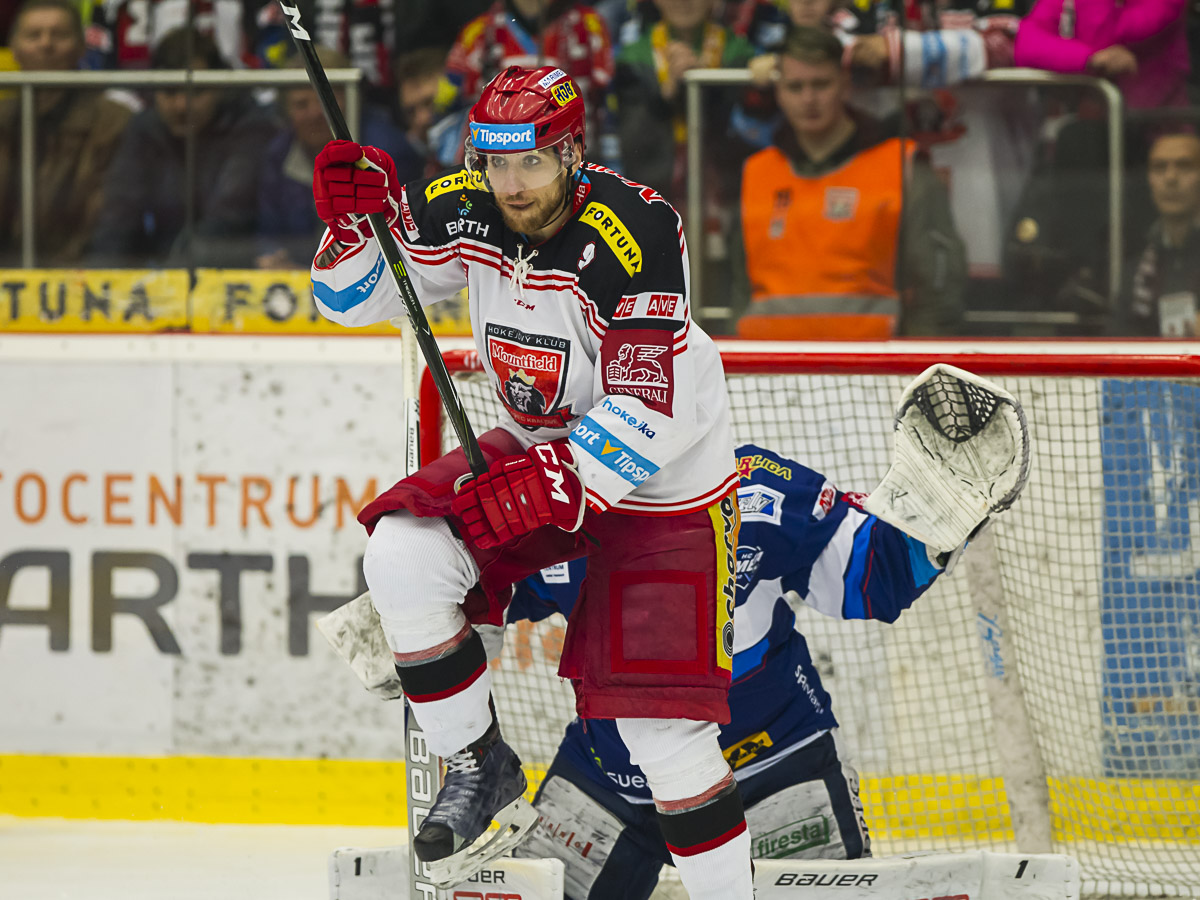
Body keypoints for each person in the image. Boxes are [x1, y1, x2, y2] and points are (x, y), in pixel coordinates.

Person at [309, 65, 752, 898]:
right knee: (402, 554)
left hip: (665, 483)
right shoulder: (465, 204)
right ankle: (480, 766)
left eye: (533, 163)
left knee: (663, 737)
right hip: (541, 445)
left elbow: (649, 407)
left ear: (573, 153)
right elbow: (351, 302)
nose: (511, 185)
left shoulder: (637, 228)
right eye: (495, 162)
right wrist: (352, 229)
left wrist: (555, 480)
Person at [506, 441, 964, 898]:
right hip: (610, 777)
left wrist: (947, 500)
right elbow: (487, 595)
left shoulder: (755, 491)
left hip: (774, 762)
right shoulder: (557, 509)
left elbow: (877, 570)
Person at [736, 26, 966, 339]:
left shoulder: (901, 166)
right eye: (795, 86)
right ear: (779, 93)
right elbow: (738, 289)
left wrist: (918, 359)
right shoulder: (757, 172)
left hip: (875, 361)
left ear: (845, 85)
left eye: (821, 84)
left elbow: (939, 291)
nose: (809, 99)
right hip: (764, 361)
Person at [89, 26, 277, 267]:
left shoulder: (249, 128)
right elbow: (117, 219)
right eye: (169, 91)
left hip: (233, 266)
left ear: (219, 88)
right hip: (164, 267)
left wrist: (171, 275)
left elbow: (228, 219)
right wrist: (102, 276)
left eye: (195, 92)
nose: (181, 105)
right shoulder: (145, 130)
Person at [256, 46, 413, 270]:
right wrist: (273, 259)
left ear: (351, 99)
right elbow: (267, 235)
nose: (315, 113)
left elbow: (402, 239)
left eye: (325, 100)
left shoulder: (386, 152)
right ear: (286, 111)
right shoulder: (278, 154)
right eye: (301, 104)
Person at [0, 0, 132, 265]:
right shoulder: (4, 117)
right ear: (13, 47)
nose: (46, 44)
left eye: (59, 35)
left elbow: (109, 219)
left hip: (81, 271)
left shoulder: (113, 119)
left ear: (81, 47)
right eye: (33, 35)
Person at [1014, 0, 1189, 109]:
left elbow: (1105, 34)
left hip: (1160, 119)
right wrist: (1089, 59)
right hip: (1095, 119)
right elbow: (1026, 43)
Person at [1121, 131, 1200, 336]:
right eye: (1159, 167)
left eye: (1184, 166)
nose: (1171, 178)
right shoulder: (1136, 263)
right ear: (1149, 180)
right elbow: (1116, 340)